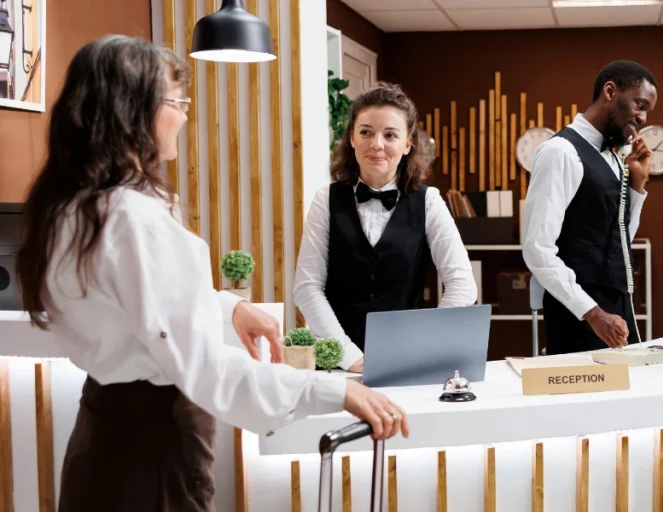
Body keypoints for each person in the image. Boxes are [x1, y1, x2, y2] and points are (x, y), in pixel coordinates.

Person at [15, 36, 408, 512]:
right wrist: (330, 389)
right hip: (150, 462)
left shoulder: (72, 208)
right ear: (133, 111)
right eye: (176, 103)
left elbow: (133, 303)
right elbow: (206, 369)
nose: (184, 117)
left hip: (98, 444)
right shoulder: (133, 220)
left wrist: (230, 307)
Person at [294, 82, 477, 373]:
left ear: (407, 144)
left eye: (390, 135)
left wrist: (426, 343)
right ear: (352, 138)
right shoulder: (325, 199)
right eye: (366, 132)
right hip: (336, 366)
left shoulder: (429, 201)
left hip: (408, 362)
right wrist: (348, 356)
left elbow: (462, 284)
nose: (377, 144)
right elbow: (307, 287)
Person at [522, 60, 657, 355]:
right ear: (610, 91)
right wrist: (593, 313)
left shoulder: (614, 159)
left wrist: (637, 184)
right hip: (581, 315)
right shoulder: (559, 152)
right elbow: (537, 248)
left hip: (616, 308)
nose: (643, 118)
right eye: (640, 105)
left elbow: (621, 241)